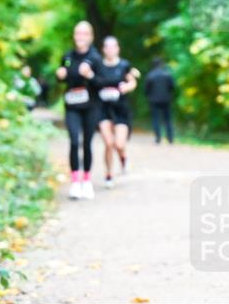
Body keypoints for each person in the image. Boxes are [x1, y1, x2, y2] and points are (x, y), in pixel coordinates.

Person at [55, 21, 102, 200]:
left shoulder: (96, 58)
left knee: (87, 143)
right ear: (74, 36)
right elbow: (62, 77)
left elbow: (102, 83)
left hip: (91, 107)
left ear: (90, 37)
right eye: (77, 33)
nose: (80, 37)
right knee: (74, 141)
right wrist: (59, 75)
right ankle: (75, 182)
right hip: (72, 106)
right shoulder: (67, 56)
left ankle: (87, 180)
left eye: (84, 34)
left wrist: (90, 75)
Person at [95, 36, 137, 187]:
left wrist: (127, 87)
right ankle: (108, 175)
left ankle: (123, 158)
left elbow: (132, 81)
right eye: (107, 46)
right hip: (103, 109)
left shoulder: (124, 65)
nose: (110, 49)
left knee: (119, 144)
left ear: (118, 48)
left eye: (113, 46)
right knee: (108, 143)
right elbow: (92, 81)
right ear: (103, 49)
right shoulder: (98, 65)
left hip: (120, 109)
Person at [143, 58, 176, 144]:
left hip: (154, 100)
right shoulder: (167, 74)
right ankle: (170, 138)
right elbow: (172, 87)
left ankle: (158, 138)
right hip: (166, 99)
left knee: (156, 119)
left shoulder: (150, 75)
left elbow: (146, 90)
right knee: (168, 119)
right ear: (161, 64)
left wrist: (149, 96)